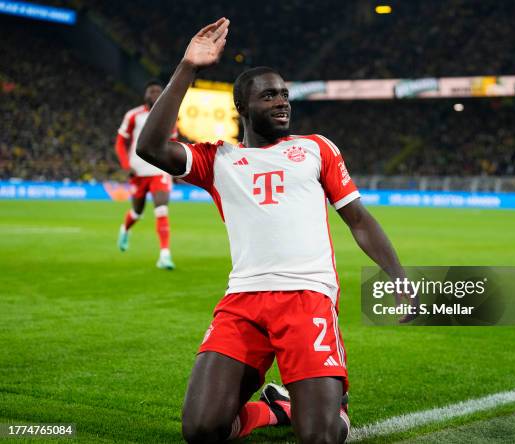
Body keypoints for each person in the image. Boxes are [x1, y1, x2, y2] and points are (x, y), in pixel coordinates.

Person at [136, 18, 408, 443]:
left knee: (320, 436)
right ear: (241, 109)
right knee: (202, 430)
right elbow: (150, 147)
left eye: (284, 94)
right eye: (269, 96)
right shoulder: (218, 160)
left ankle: (333, 407)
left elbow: (359, 219)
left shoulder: (316, 148)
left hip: (307, 298)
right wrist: (188, 67)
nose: (282, 102)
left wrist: (399, 277)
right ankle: (276, 408)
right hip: (243, 301)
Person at [115, 79, 178, 269]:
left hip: (159, 169)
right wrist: (127, 166)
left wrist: (173, 167)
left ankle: (164, 255)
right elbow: (120, 142)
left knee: (161, 209)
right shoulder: (133, 115)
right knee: (137, 211)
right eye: (152, 91)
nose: (155, 94)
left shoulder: (168, 117)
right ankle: (125, 229)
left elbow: (173, 144)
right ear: (145, 95)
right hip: (138, 170)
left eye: (159, 91)